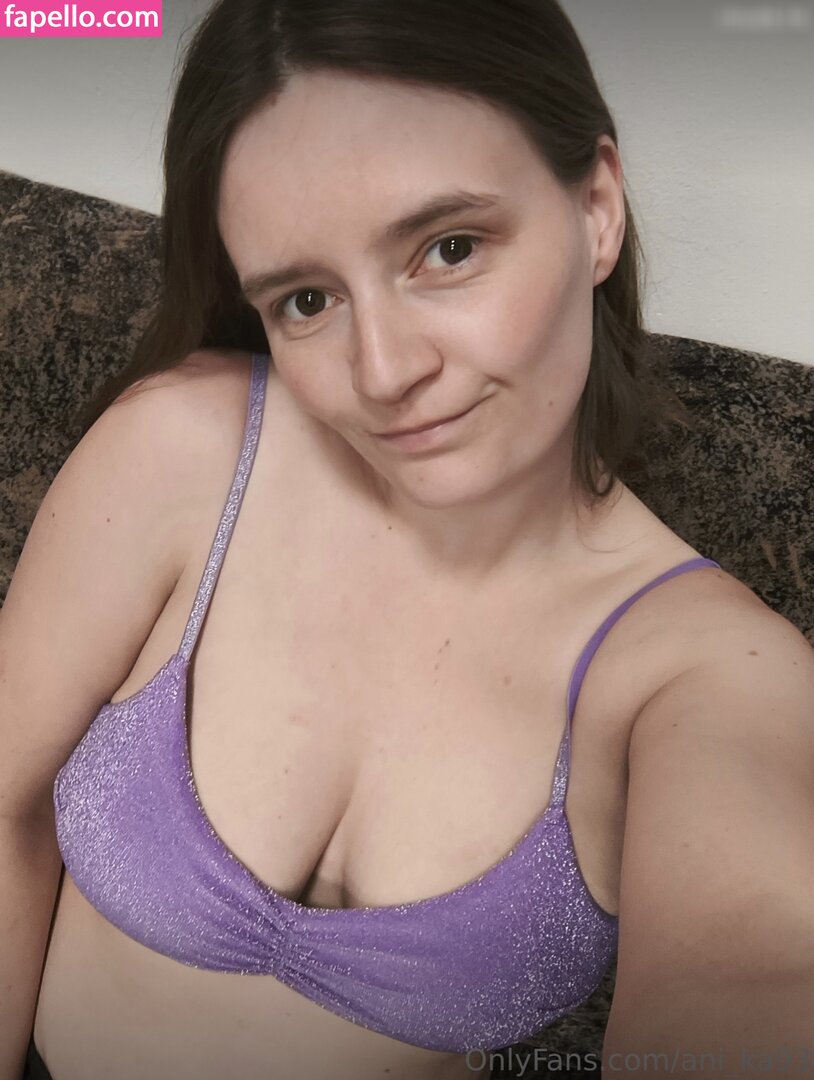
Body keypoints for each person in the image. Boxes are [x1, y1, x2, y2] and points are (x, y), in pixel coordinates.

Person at [3, 1, 813, 1079]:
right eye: (306, 300)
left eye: (449, 248)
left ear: (596, 210)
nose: (383, 372)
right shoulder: (185, 449)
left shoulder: (704, 676)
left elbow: (750, 970)